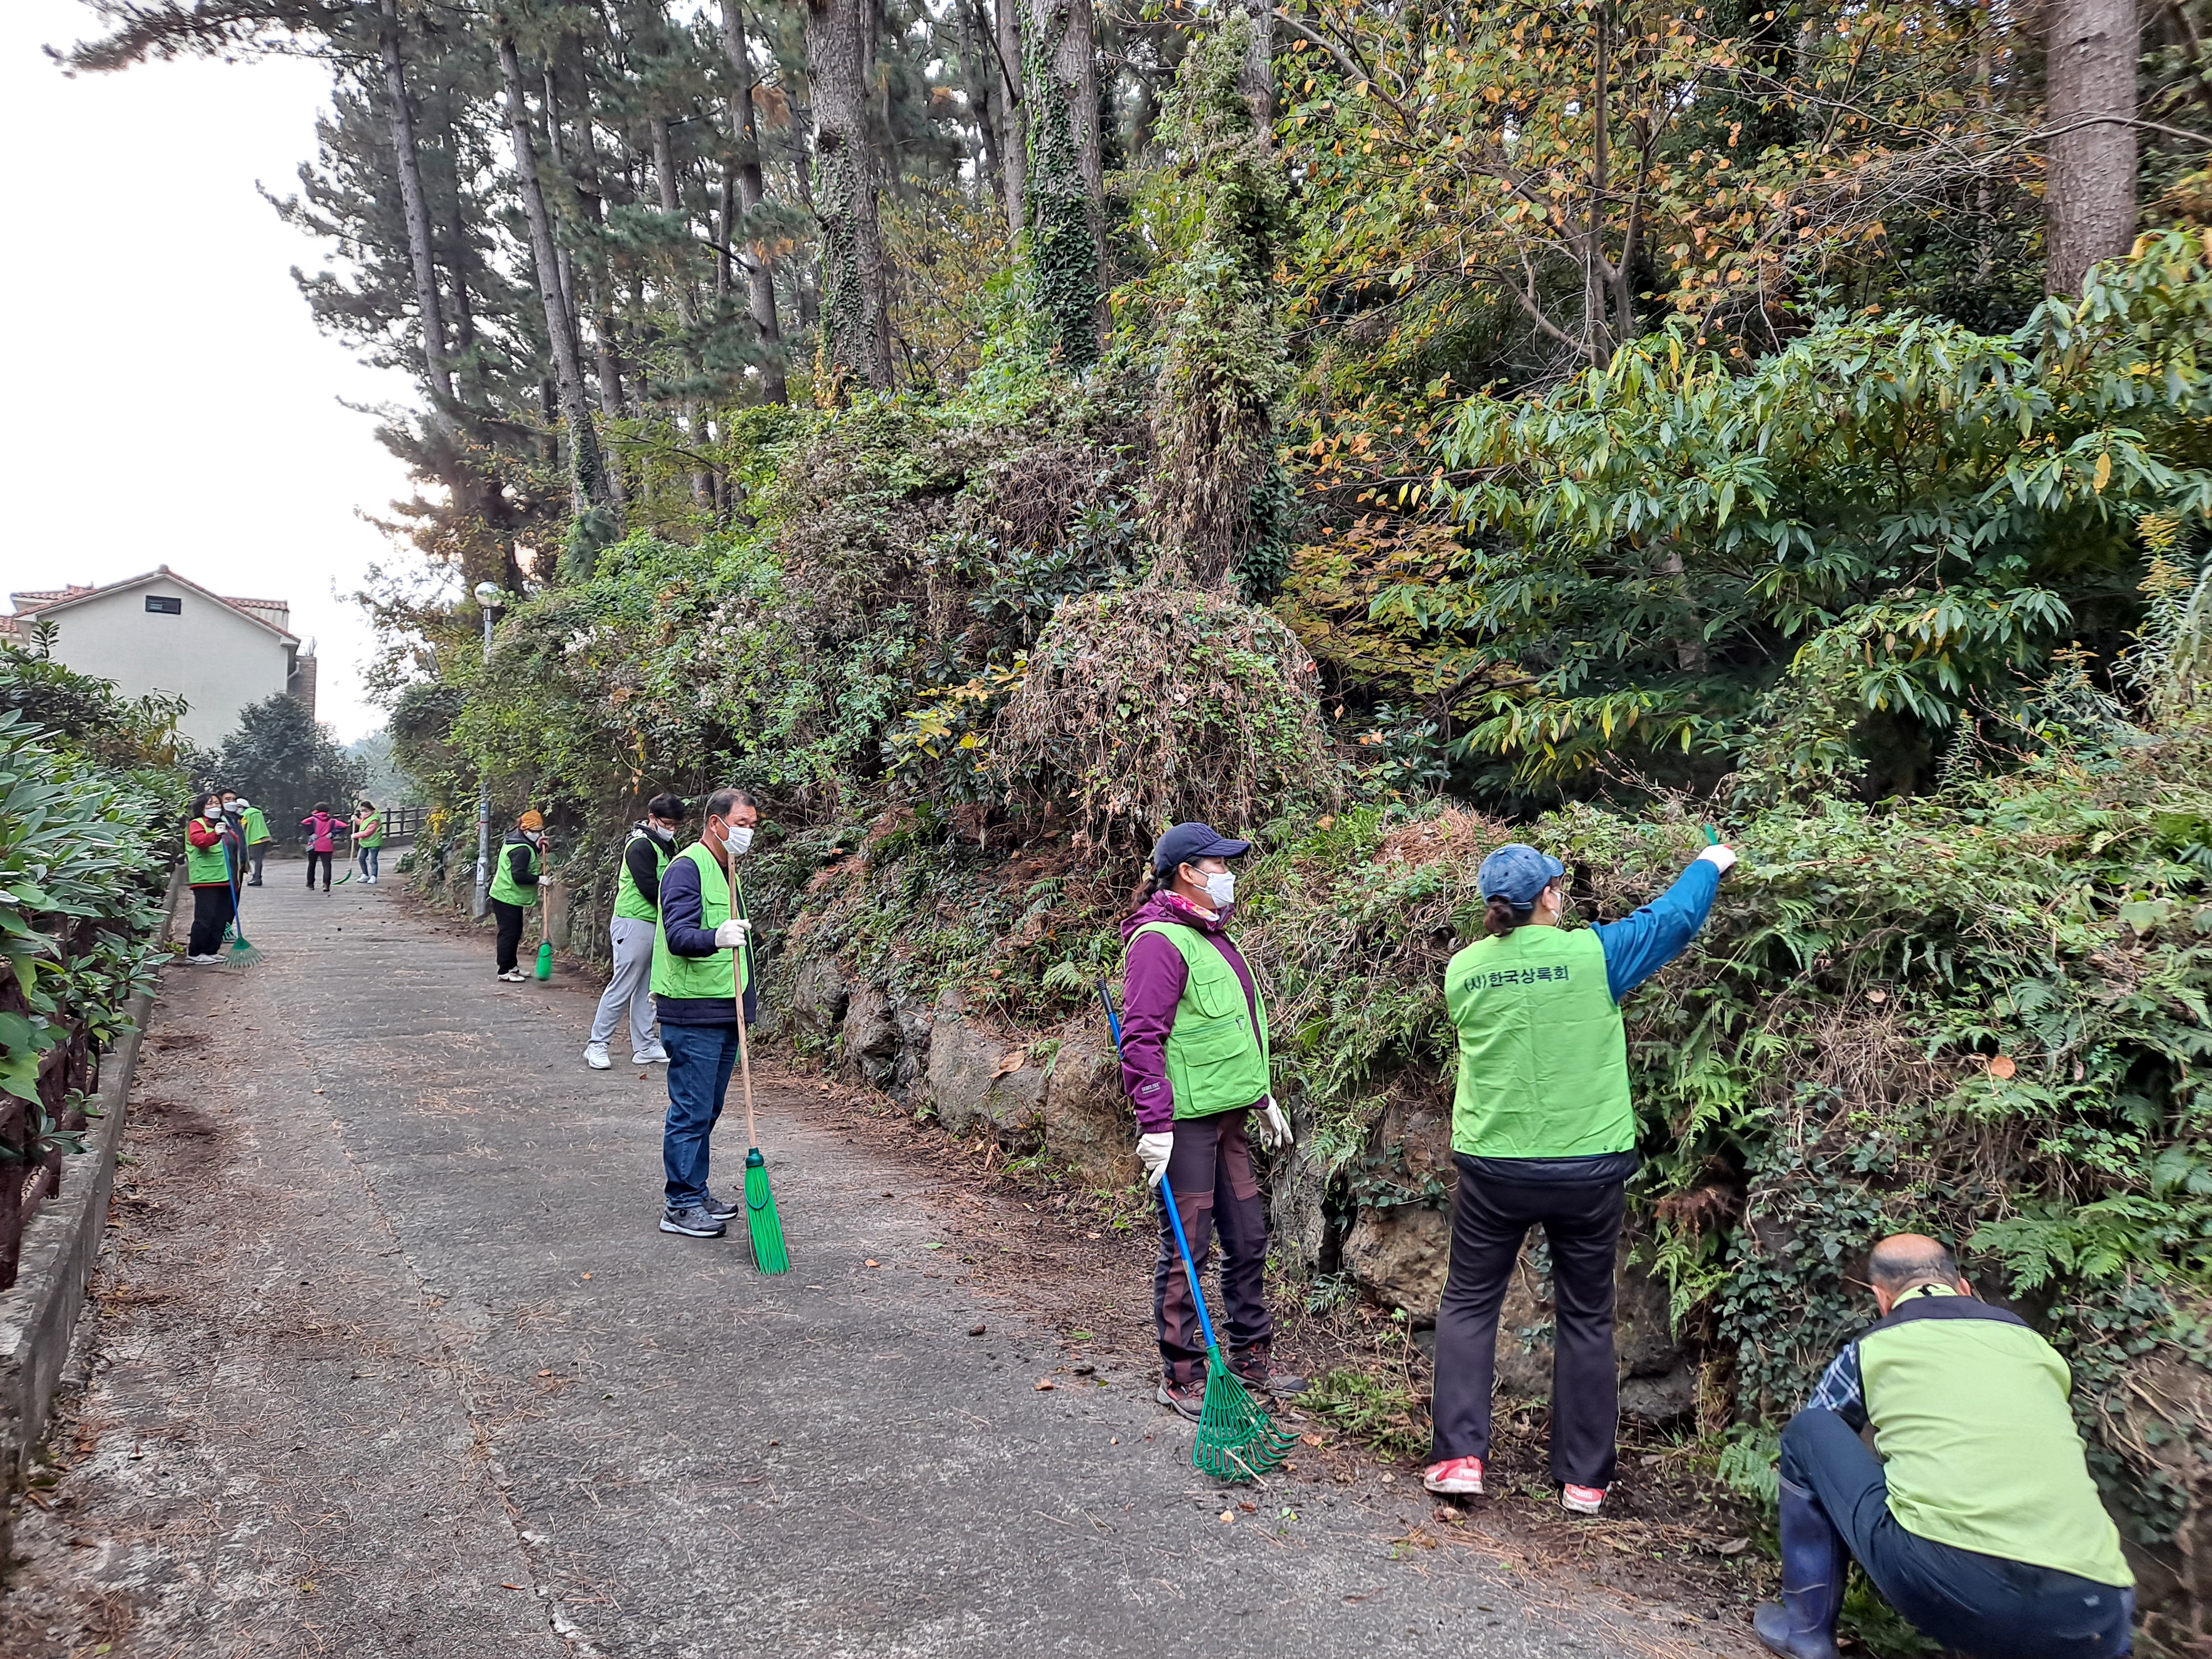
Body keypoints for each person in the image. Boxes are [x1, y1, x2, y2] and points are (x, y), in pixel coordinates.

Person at [1424, 834, 1736, 1515]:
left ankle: (1458, 1458)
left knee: (1471, 1303)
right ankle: (1583, 1479)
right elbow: (1674, 920)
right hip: (1587, 1165)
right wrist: (1710, 863)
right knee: (1587, 1316)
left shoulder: (1463, 971)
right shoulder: (1594, 955)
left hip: (1495, 1164)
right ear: (1548, 897)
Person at [1755, 1235, 2133, 1659]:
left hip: (1952, 1588)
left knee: (1810, 1430)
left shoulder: (1873, 1347)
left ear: (1882, 1298)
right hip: (2099, 1610)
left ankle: (1806, 1635)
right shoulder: (2036, 1347)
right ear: (1965, 1287)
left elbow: (1824, 1443)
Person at [1118, 822, 1301, 1421]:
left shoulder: (1214, 937)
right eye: (1217, 865)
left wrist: (1260, 1097)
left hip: (1228, 1122)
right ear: (1186, 874)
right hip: (1187, 1126)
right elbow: (1143, 1039)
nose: (1227, 874)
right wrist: (1155, 1124)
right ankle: (1183, 1373)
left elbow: (1230, 1032)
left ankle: (1251, 1355)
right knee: (1188, 1249)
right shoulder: (1157, 942)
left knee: (1248, 1237)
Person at [650, 787, 760, 1238]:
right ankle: (679, 1203)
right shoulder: (687, 868)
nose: (747, 834)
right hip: (692, 1011)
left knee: (708, 1109)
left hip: (723, 1008)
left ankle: (696, 1190)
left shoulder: (725, 868)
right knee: (691, 1109)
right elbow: (678, 935)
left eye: (752, 826)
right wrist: (716, 936)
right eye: (740, 825)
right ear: (715, 823)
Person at [586, 794, 683, 1071]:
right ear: (652, 818)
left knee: (649, 988)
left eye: (676, 825)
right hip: (634, 922)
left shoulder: (667, 844)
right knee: (623, 985)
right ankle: (597, 1044)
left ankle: (645, 1046)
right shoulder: (640, 846)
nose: (672, 829)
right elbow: (651, 888)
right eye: (667, 823)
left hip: (657, 923)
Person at [488, 810, 547, 983]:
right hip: (507, 896)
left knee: (515, 932)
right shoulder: (521, 849)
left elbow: (526, 857)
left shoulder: (516, 841)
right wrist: (539, 879)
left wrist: (538, 847)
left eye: (540, 831)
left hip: (506, 895)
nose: (538, 834)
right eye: (535, 832)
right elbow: (519, 876)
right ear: (525, 829)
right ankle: (504, 970)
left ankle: (512, 966)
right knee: (509, 933)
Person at [182, 793, 234, 964]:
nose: (215, 807)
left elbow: (235, 844)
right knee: (205, 917)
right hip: (205, 879)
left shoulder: (223, 824)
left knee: (220, 917)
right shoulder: (196, 824)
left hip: (224, 877)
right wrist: (215, 835)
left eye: (217, 803)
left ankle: (212, 950)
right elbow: (199, 841)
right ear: (202, 807)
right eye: (210, 804)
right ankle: (196, 952)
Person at [300, 801, 343, 891]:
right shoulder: (331, 820)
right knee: (327, 865)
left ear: (316, 810)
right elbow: (344, 825)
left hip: (314, 845)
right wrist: (333, 833)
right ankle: (326, 884)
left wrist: (311, 833)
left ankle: (310, 884)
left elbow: (304, 822)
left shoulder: (313, 819)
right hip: (327, 845)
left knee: (312, 864)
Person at [237, 796, 273, 885]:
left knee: (253, 860)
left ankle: (256, 878)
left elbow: (242, 827)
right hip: (265, 838)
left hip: (254, 839)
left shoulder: (245, 815)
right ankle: (258, 877)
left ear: (241, 807)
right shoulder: (257, 812)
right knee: (259, 859)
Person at [354, 798, 384, 884]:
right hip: (364, 843)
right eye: (362, 811)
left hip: (374, 842)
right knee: (361, 858)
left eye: (365, 810)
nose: (363, 812)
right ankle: (365, 874)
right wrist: (356, 820)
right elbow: (363, 824)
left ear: (371, 810)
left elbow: (368, 832)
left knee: (372, 860)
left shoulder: (374, 819)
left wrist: (355, 835)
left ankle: (374, 876)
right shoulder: (365, 818)